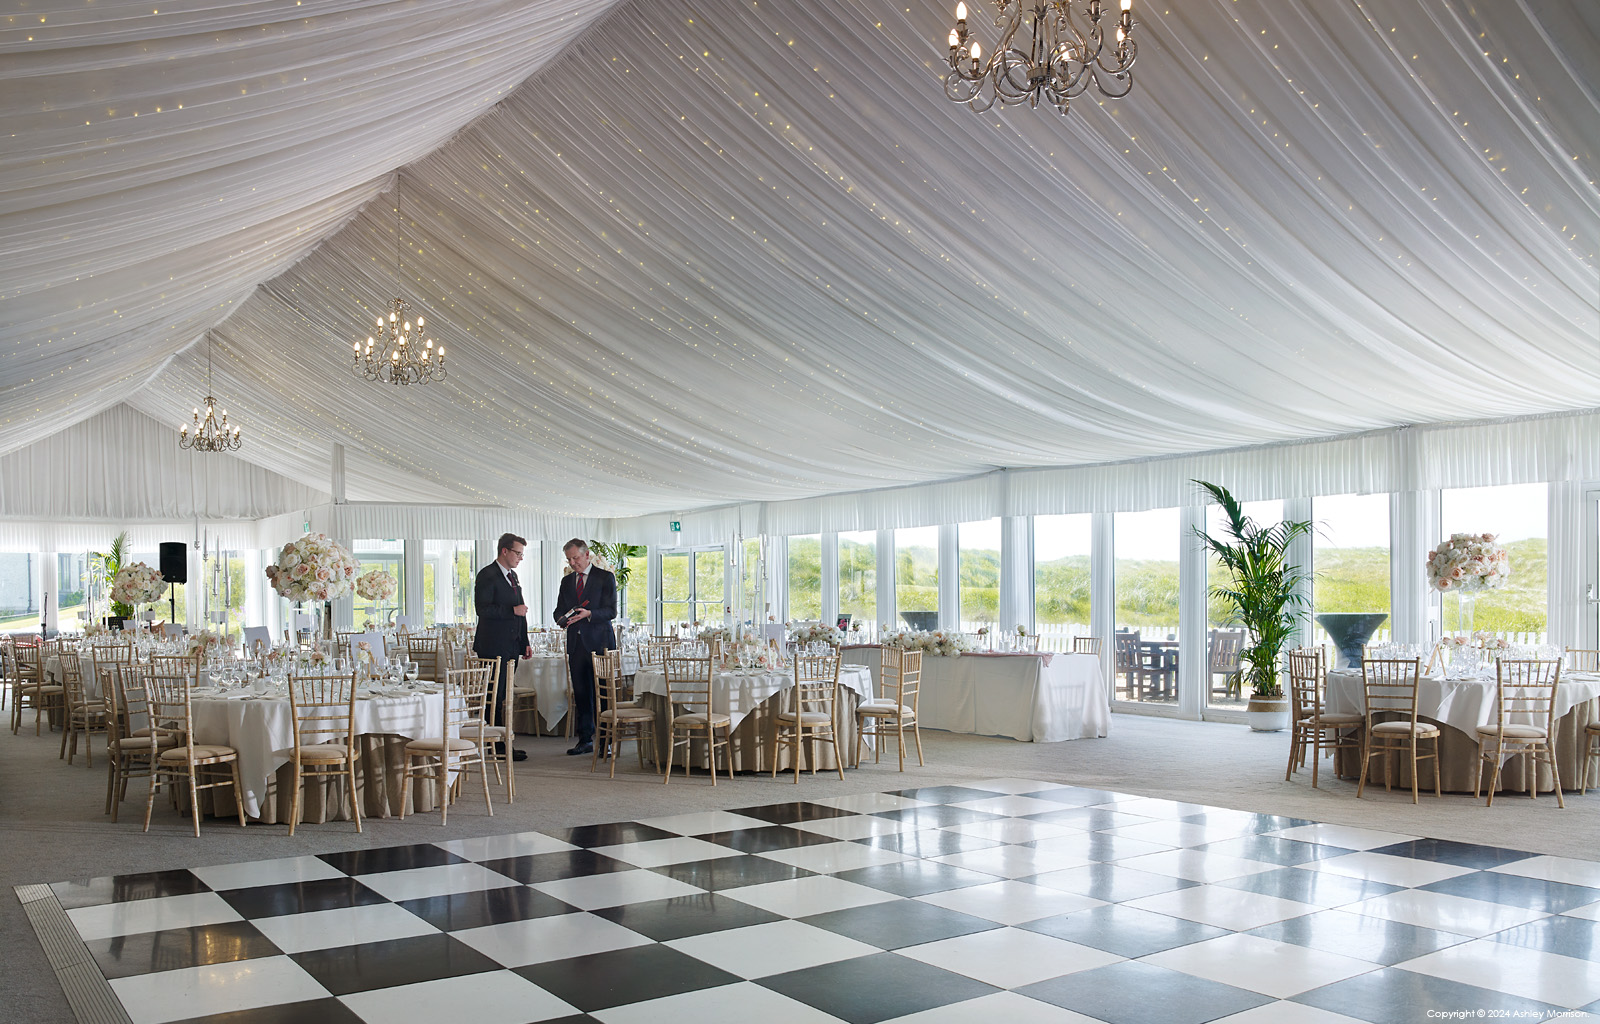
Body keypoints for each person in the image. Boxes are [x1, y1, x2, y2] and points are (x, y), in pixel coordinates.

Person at [552, 537, 616, 755]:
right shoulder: (567, 582)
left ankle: (606, 742)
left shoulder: (605, 577)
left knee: (604, 694)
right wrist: (561, 619)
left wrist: (589, 614)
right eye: (569, 559)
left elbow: (611, 611)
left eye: (575, 558)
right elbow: (558, 610)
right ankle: (585, 739)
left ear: (587, 555)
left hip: (600, 642)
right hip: (576, 643)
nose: (572, 563)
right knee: (581, 693)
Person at [474, 532, 531, 762]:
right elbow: (483, 609)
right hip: (492, 644)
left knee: (504, 696)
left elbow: (521, 610)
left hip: (512, 645)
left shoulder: (513, 576)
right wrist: (511, 611)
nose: (520, 558)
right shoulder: (487, 575)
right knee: (494, 697)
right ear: (504, 551)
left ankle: (503, 742)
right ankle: (494, 744)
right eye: (518, 553)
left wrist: (525, 642)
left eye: (522, 554)